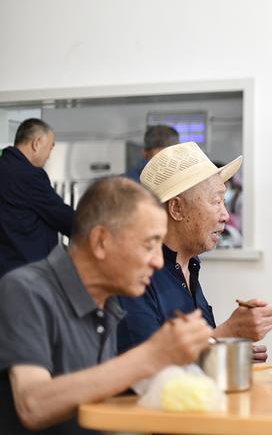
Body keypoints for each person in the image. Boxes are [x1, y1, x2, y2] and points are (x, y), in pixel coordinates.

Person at [0, 177, 213, 435]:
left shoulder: (108, 299)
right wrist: (150, 356)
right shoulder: (25, 290)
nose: (158, 262)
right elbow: (32, 404)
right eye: (149, 245)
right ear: (101, 241)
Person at [117, 142, 272, 361]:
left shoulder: (190, 264)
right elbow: (142, 369)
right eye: (216, 201)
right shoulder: (135, 275)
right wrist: (227, 333)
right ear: (177, 208)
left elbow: (194, 355)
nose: (226, 216)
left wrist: (226, 353)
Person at [0, 118, 74, 277]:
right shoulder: (29, 176)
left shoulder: (5, 167)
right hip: (27, 273)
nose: (48, 156)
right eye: (50, 147)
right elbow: (62, 216)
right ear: (37, 143)